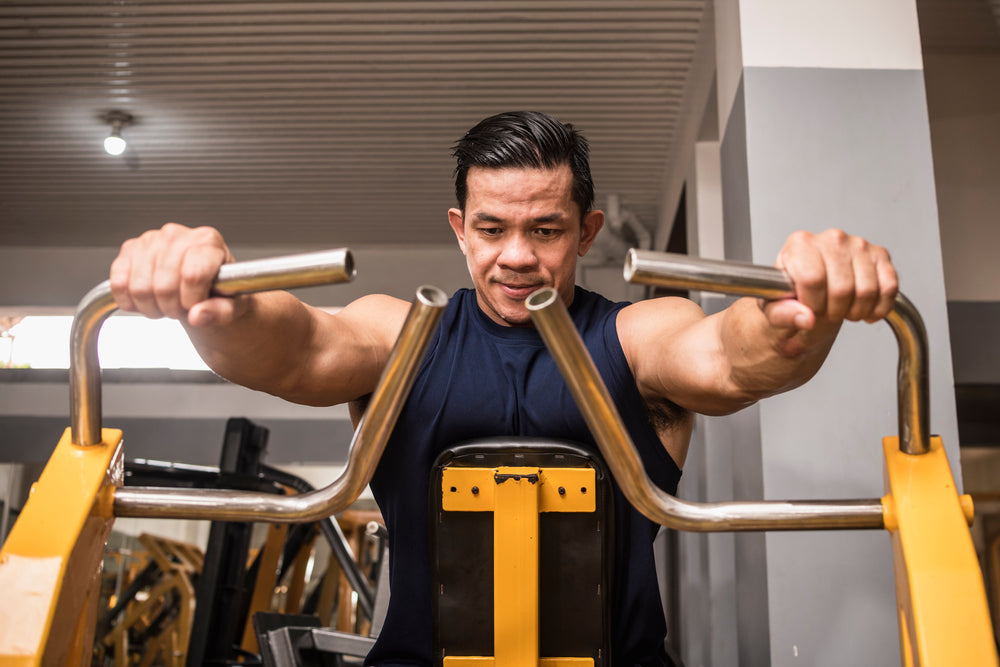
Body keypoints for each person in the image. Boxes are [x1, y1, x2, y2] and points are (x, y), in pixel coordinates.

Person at [109, 111, 897, 665]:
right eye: (492, 229)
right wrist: (210, 302)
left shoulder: (635, 335)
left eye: (545, 230)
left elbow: (729, 358)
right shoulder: (404, 335)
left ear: (586, 232)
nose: (516, 255)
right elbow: (297, 348)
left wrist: (799, 312)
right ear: (460, 229)